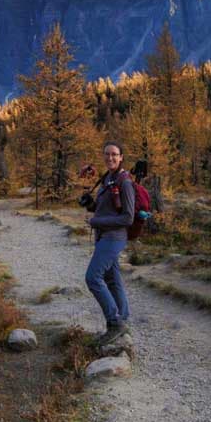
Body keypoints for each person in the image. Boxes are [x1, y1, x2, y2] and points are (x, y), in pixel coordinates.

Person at [83, 141, 135, 345]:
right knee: (112, 280)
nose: (110, 158)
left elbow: (127, 218)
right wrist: (92, 206)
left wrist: (95, 221)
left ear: (121, 157)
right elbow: (107, 210)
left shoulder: (125, 182)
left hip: (114, 238)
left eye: (114, 154)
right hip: (104, 237)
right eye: (107, 154)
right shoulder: (108, 179)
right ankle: (122, 319)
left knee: (93, 278)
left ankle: (114, 323)